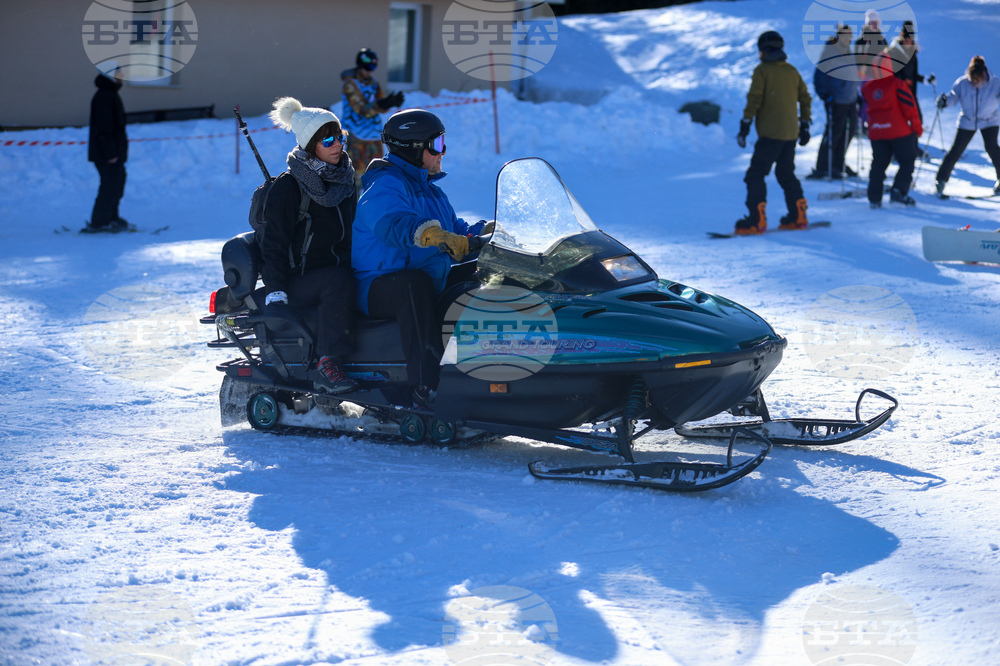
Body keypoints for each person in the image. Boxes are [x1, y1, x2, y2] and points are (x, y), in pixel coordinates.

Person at [352, 109, 491, 408]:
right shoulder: (383, 185)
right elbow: (393, 223)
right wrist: (431, 235)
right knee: (412, 286)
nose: (443, 152)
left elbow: (458, 232)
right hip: (375, 286)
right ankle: (426, 387)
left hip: (425, 278)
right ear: (415, 148)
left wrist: (488, 231)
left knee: (477, 279)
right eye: (438, 144)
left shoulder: (432, 192)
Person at [263, 97, 358, 394]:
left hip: (335, 269)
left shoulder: (344, 181)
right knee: (338, 281)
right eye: (326, 139)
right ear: (309, 146)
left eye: (339, 136)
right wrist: (276, 290)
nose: (336, 144)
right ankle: (327, 365)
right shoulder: (289, 186)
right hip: (297, 279)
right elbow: (273, 242)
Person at [735, 30, 812, 235]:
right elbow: (805, 98)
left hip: (771, 133)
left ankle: (756, 220)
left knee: (755, 175)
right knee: (786, 174)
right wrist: (804, 124)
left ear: (764, 50)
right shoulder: (791, 71)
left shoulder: (763, 70)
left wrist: (745, 125)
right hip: (790, 133)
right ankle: (799, 216)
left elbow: (755, 98)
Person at [861, 54, 922, 208]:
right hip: (898, 131)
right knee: (907, 160)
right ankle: (898, 192)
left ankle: (874, 198)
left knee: (878, 165)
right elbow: (910, 107)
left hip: (876, 131)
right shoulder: (897, 84)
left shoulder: (867, 88)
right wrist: (917, 128)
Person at [934, 56, 1000, 198]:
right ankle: (940, 180)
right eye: (972, 79)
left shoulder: (995, 83)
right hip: (968, 120)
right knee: (956, 150)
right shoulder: (962, 83)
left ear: (983, 75)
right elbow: (953, 97)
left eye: (976, 79)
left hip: (990, 120)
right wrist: (945, 101)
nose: (974, 82)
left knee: (992, 148)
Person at [341, 48, 404, 192]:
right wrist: (381, 104)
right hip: (358, 136)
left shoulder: (374, 83)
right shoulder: (350, 84)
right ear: (360, 65)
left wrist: (390, 101)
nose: (370, 71)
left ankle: (373, 207)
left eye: (373, 67)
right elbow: (362, 109)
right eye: (368, 67)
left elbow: (379, 104)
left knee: (376, 174)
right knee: (356, 176)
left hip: (374, 135)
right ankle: (354, 209)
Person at [85, 63, 131, 233]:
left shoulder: (110, 94)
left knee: (116, 184)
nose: (122, 76)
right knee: (109, 187)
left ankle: (111, 218)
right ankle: (99, 222)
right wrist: (111, 153)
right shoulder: (104, 96)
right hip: (107, 155)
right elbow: (104, 129)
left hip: (112, 153)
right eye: (119, 73)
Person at [809, 25, 859, 179]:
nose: (848, 38)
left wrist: (857, 95)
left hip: (850, 99)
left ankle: (838, 162)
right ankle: (823, 165)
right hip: (836, 100)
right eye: (845, 35)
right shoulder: (830, 52)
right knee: (834, 132)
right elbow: (819, 78)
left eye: (849, 35)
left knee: (848, 132)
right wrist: (826, 95)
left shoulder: (848, 52)